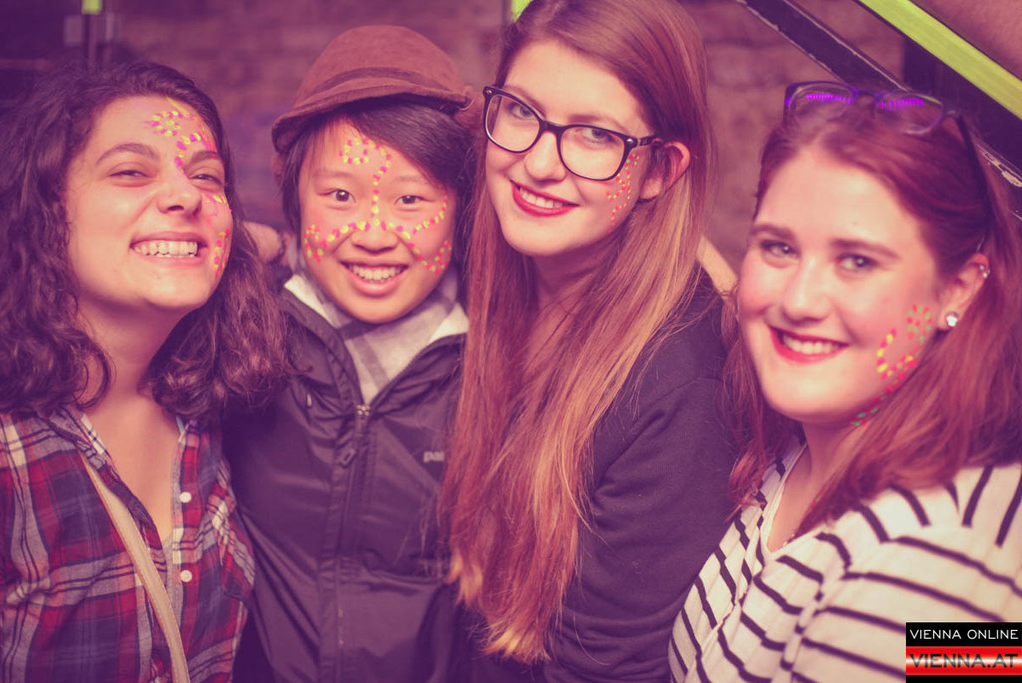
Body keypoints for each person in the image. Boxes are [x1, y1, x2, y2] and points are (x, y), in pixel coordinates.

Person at [670, 81, 1022, 681]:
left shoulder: (936, 570)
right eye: (779, 247)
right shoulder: (812, 435)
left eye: (857, 261)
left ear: (958, 290)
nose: (799, 300)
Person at [437, 0, 736, 679]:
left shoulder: (676, 389)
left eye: (596, 135)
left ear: (660, 171)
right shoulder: (502, 252)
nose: (539, 164)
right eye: (522, 111)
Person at [0, 60, 287, 681]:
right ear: (43, 207)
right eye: (130, 171)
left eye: (207, 177)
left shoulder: (204, 404)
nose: (187, 196)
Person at [222, 26, 477, 682]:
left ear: (460, 211)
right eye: (340, 196)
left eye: (410, 199)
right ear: (294, 201)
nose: (373, 234)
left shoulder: (495, 366)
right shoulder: (245, 335)